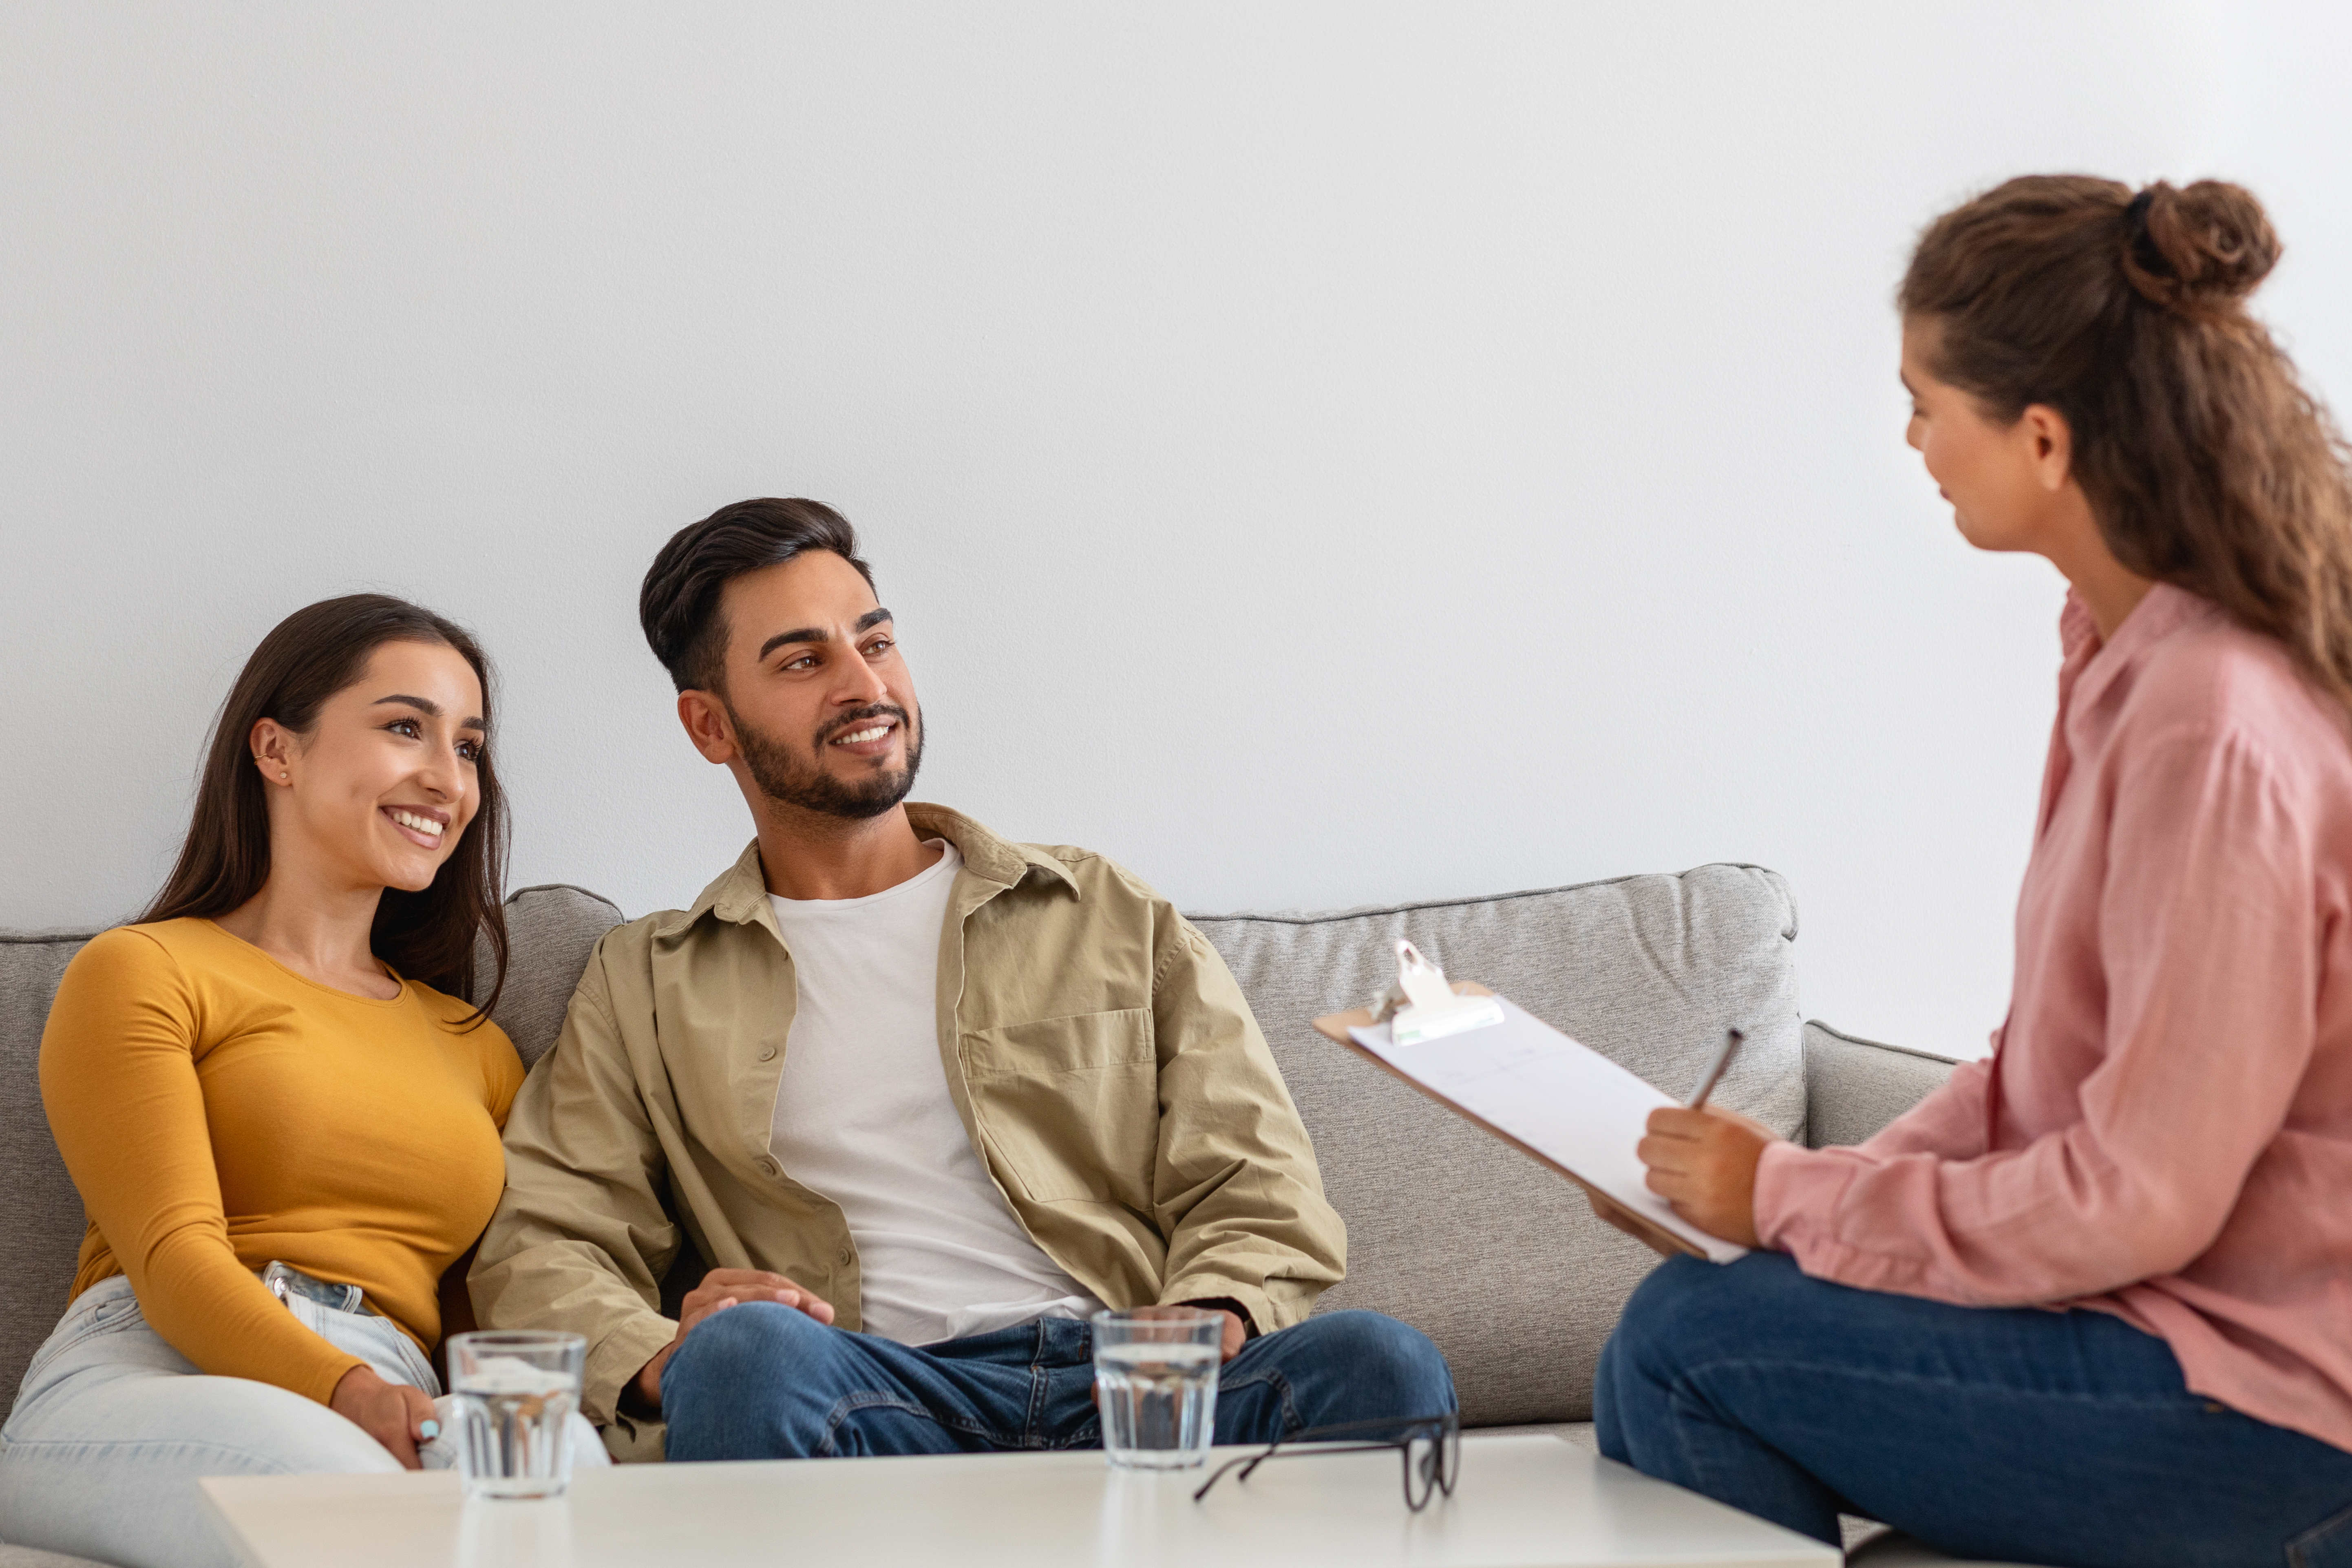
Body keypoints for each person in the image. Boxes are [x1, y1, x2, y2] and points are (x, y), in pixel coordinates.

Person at [1594, 178, 2352, 1564]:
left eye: (1927, 400)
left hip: (2271, 1414)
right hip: (2169, 1344)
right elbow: (2032, 1083)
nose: (1913, 438)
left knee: (1678, 1346)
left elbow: (2140, 1194)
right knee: (1706, 1316)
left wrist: (1785, 1202)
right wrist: (1787, 1202)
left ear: (2044, 438)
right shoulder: (2117, 655)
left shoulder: (2211, 717)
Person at [470, 498, 1454, 1462]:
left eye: (875, 642)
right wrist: (660, 1359)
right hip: (872, 1393)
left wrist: (1209, 1313)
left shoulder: (1097, 910)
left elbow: (1256, 1177)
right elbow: (546, 1242)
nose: (864, 685)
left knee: (1379, 1363)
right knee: (742, 1362)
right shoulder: (647, 982)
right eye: (804, 661)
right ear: (710, 727)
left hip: (1134, 1375)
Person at [0, 595, 603, 1568]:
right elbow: (173, 1263)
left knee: (562, 1459)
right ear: (277, 751)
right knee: (344, 1502)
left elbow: (477, 1312)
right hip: (151, 1373)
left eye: (468, 747)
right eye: (405, 727)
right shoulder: (146, 970)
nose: (446, 778)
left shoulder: (474, 1045)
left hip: (389, 1387)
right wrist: (348, 1395)